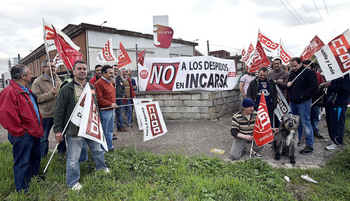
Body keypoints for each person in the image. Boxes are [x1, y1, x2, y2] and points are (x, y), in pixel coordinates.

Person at [53, 60, 109, 191]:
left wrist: (98, 123)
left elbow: (95, 107)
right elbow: (59, 110)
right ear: (73, 71)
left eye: (84, 69)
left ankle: (102, 168)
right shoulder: (66, 89)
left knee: (97, 150)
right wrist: (58, 130)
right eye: (79, 69)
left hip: (91, 128)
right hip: (75, 130)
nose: (82, 71)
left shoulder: (91, 87)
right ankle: (72, 182)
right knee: (73, 158)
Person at [0, 64, 43, 193]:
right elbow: (7, 117)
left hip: (33, 131)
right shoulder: (9, 92)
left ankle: (32, 180)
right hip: (23, 134)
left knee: (35, 157)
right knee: (22, 162)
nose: (31, 75)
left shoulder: (25, 88)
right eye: (29, 73)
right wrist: (20, 132)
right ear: (23, 76)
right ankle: (21, 189)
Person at [287, 57, 318, 155]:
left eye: (295, 66)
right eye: (292, 66)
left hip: (303, 102)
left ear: (301, 63)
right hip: (293, 101)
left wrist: (303, 96)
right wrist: (288, 85)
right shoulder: (292, 73)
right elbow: (290, 85)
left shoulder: (309, 73)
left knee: (306, 123)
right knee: (296, 123)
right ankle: (297, 139)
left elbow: (314, 86)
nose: (294, 68)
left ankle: (309, 145)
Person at [31, 60, 62, 157]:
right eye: (50, 66)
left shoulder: (58, 79)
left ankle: (62, 154)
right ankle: (43, 156)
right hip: (46, 114)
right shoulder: (37, 82)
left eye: (54, 66)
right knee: (43, 137)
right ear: (44, 68)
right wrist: (50, 94)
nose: (53, 68)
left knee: (61, 135)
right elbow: (36, 98)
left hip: (58, 113)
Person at [323, 73, 350, 151]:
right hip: (331, 102)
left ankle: (338, 142)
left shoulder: (346, 75)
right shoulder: (337, 74)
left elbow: (346, 89)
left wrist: (330, 86)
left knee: (337, 122)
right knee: (331, 121)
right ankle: (333, 138)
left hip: (339, 103)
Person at [94, 65, 118, 151]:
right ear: (103, 73)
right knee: (104, 131)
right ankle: (102, 149)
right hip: (104, 111)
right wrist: (110, 104)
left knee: (110, 131)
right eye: (110, 73)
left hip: (111, 110)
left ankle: (109, 146)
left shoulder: (109, 82)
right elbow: (99, 99)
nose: (112, 74)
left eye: (113, 72)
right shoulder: (99, 83)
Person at [303, 60, 325, 139]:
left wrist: (323, 85)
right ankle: (307, 132)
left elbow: (322, 84)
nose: (305, 68)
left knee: (315, 115)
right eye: (304, 66)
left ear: (312, 67)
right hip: (305, 99)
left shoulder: (318, 75)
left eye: (307, 66)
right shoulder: (301, 75)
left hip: (315, 99)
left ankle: (315, 130)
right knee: (306, 116)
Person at [115, 66, 127, 132]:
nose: (115, 70)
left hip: (119, 98)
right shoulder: (109, 78)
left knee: (119, 113)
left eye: (116, 69)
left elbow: (123, 88)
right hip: (112, 98)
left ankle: (120, 127)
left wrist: (124, 94)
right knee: (111, 114)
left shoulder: (119, 79)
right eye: (114, 69)